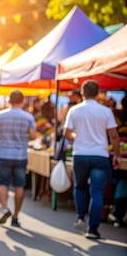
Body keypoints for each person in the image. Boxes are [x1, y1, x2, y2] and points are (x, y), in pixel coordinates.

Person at [63, 80, 121, 239]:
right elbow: (114, 136)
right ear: (98, 93)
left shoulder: (74, 110)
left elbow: (67, 133)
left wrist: (77, 136)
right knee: (97, 192)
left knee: (80, 186)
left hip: (80, 154)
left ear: (82, 93)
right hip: (100, 155)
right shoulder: (106, 111)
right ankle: (93, 229)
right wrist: (117, 155)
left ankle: (80, 216)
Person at [0, 90, 36, 227]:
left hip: (4, 153)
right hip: (21, 155)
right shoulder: (28, 117)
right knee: (19, 185)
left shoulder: (0, 115)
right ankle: (15, 216)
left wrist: (3, 137)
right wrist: (23, 137)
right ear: (23, 101)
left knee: (2, 183)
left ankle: (4, 208)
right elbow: (33, 136)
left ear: (8, 101)